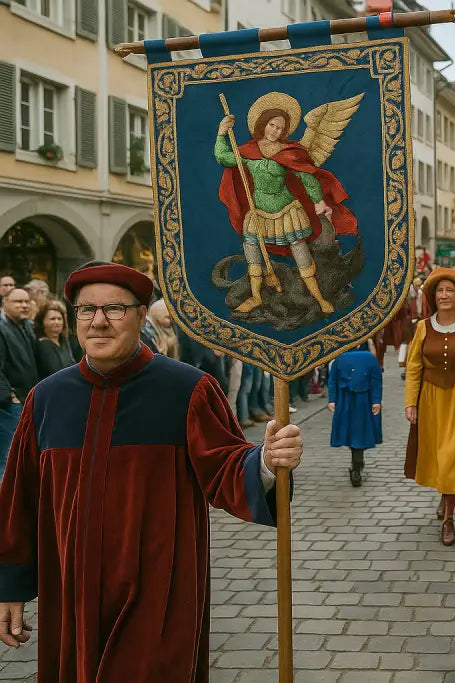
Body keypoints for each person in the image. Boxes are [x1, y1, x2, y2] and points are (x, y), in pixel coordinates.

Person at [0, 261, 303, 679]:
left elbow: (227, 467)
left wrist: (267, 460)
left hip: (158, 593)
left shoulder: (188, 390)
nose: (98, 322)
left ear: (142, 315)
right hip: (72, 594)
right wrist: (10, 587)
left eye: (115, 309)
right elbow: (19, 497)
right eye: (86, 310)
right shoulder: (46, 398)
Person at [215, 97, 358, 315]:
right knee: (252, 253)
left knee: (301, 254)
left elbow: (307, 177)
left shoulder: (288, 152)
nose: (274, 130)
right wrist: (221, 133)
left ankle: (318, 298)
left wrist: (318, 201)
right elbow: (223, 157)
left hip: (286, 212)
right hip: (257, 213)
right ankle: (255, 297)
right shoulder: (249, 151)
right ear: (263, 124)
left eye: (280, 127)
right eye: (272, 125)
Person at [404, 268, 455, 546]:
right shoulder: (422, 327)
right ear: (433, 296)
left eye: (449, 291)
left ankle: (448, 519)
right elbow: (414, 366)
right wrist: (410, 403)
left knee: (453, 454)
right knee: (437, 454)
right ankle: (445, 496)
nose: (444, 296)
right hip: (430, 399)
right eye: (439, 291)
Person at [328, 343, 382, 487]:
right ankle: (356, 462)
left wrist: (376, 400)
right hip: (345, 400)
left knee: (360, 433)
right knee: (351, 433)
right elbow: (333, 379)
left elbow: (376, 380)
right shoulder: (340, 356)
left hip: (363, 400)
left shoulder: (369, 357)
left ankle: (357, 464)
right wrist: (332, 399)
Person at [0, 288, 38, 476]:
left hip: (25, 399)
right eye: (18, 302)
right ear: (4, 303)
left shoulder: (26, 327)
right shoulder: (2, 327)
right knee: (8, 457)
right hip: (10, 404)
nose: (23, 305)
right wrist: (8, 396)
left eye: (26, 301)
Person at [33, 300, 75, 380]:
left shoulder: (64, 340)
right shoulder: (43, 344)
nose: (57, 322)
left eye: (59, 319)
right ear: (42, 322)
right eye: (52, 319)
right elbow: (54, 371)